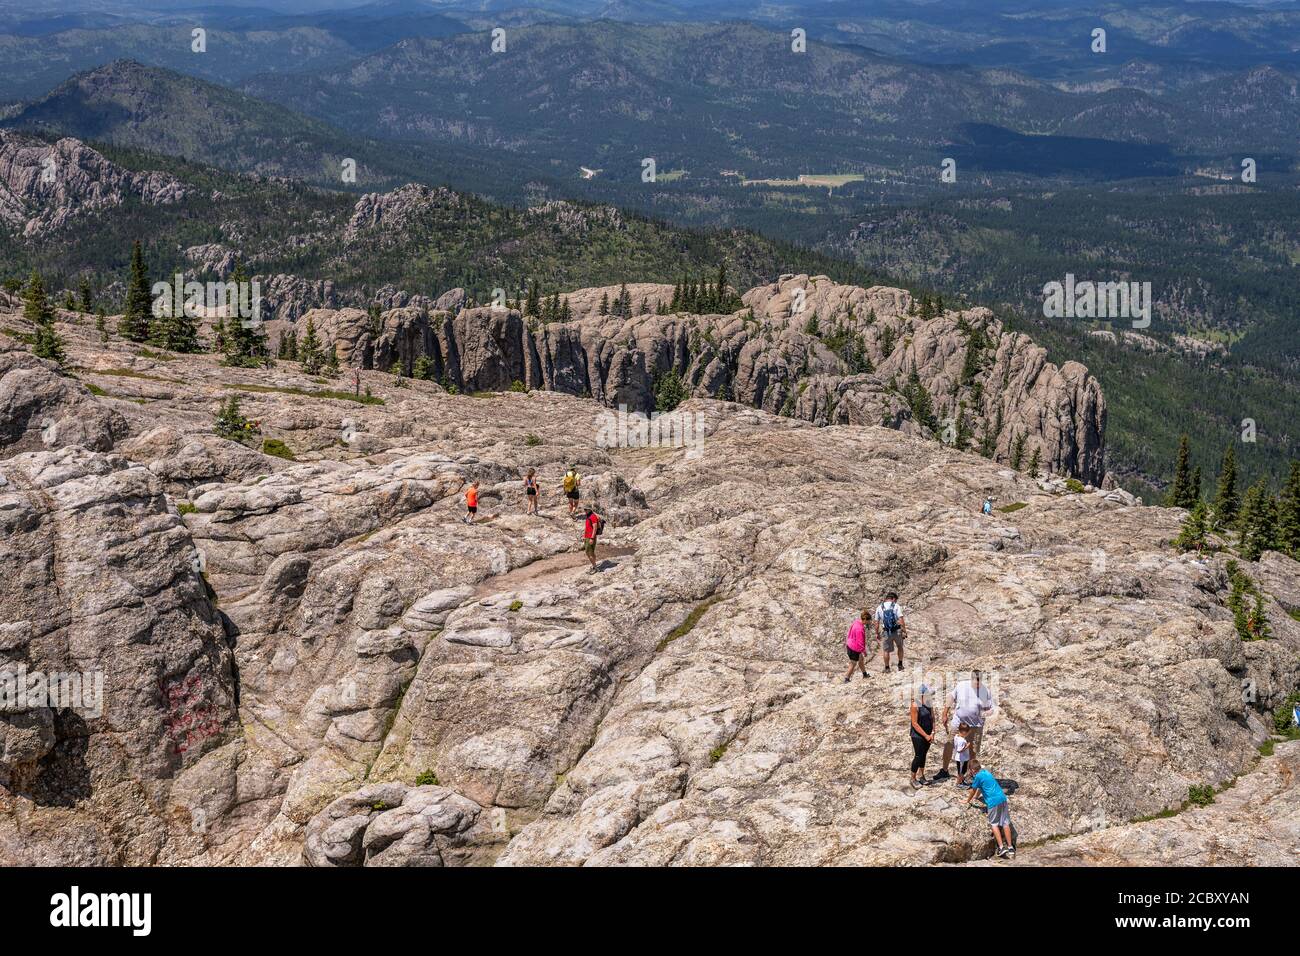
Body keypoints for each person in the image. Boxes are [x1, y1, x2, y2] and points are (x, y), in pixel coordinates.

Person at [936, 669, 993, 781]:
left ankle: (969, 775)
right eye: (976, 681)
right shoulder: (962, 685)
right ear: (971, 679)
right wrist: (944, 713)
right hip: (959, 723)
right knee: (949, 744)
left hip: (975, 726)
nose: (977, 684)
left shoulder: (985, 691)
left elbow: (991, 709)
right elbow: (951, 697)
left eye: (979, 681)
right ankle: (944, 770)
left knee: (973, 750)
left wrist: (985, 713)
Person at [965, 759, 1014, 859]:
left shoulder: (978, 776)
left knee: (994, 824)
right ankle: (1010, 847)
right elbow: (980, 788)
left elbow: (974, 790)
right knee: (1005, 823)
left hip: (993, 801)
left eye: (970, 770)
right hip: (1002, 798)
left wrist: (967, 801)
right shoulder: (986, 772)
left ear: (972, 770)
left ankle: (1001, 847)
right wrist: (976, 797)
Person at [909, 683, 936, 788]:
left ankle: (921, 776)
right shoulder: (915, 705)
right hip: (918, 735)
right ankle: (913, 778)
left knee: (924, 755)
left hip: (928, 734)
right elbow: (914, 724)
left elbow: (933, 718)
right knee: (918, 755)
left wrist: (933, 732)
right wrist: (925, 735)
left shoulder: (929, 704)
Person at [873, 592, 907, 672]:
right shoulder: (896, 606)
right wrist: (904, 631)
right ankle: (900, 665)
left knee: (886, 650)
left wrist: (877, 633)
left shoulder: (879, 607)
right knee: (900, 647)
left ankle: (887, 668)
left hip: (886, 632)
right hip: (896, 630)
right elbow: (901, 620)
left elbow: (876, 623)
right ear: (893, 598)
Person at [842, 608, 872, 682]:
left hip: (850, 644)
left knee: (861, 660)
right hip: (854, 648)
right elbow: (860, 642)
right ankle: (847, 678)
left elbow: (850, 632)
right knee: (853, 663)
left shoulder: (856, 622)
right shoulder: (860, 629)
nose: (869, 622)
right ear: (865, 620)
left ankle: (864, 674)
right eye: (869, 621)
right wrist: (864, 651)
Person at [582, 506, 603, 572]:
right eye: (584, 509)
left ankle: (595, 568)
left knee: (589, 553)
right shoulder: (589, 515)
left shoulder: (592, 516)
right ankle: (595, 566)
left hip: (590, 537)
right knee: (591, 552)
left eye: (586, 509)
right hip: (587, 536)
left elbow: (595, 528)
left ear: (590, 509)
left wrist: (592, 538)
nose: (585, 510)